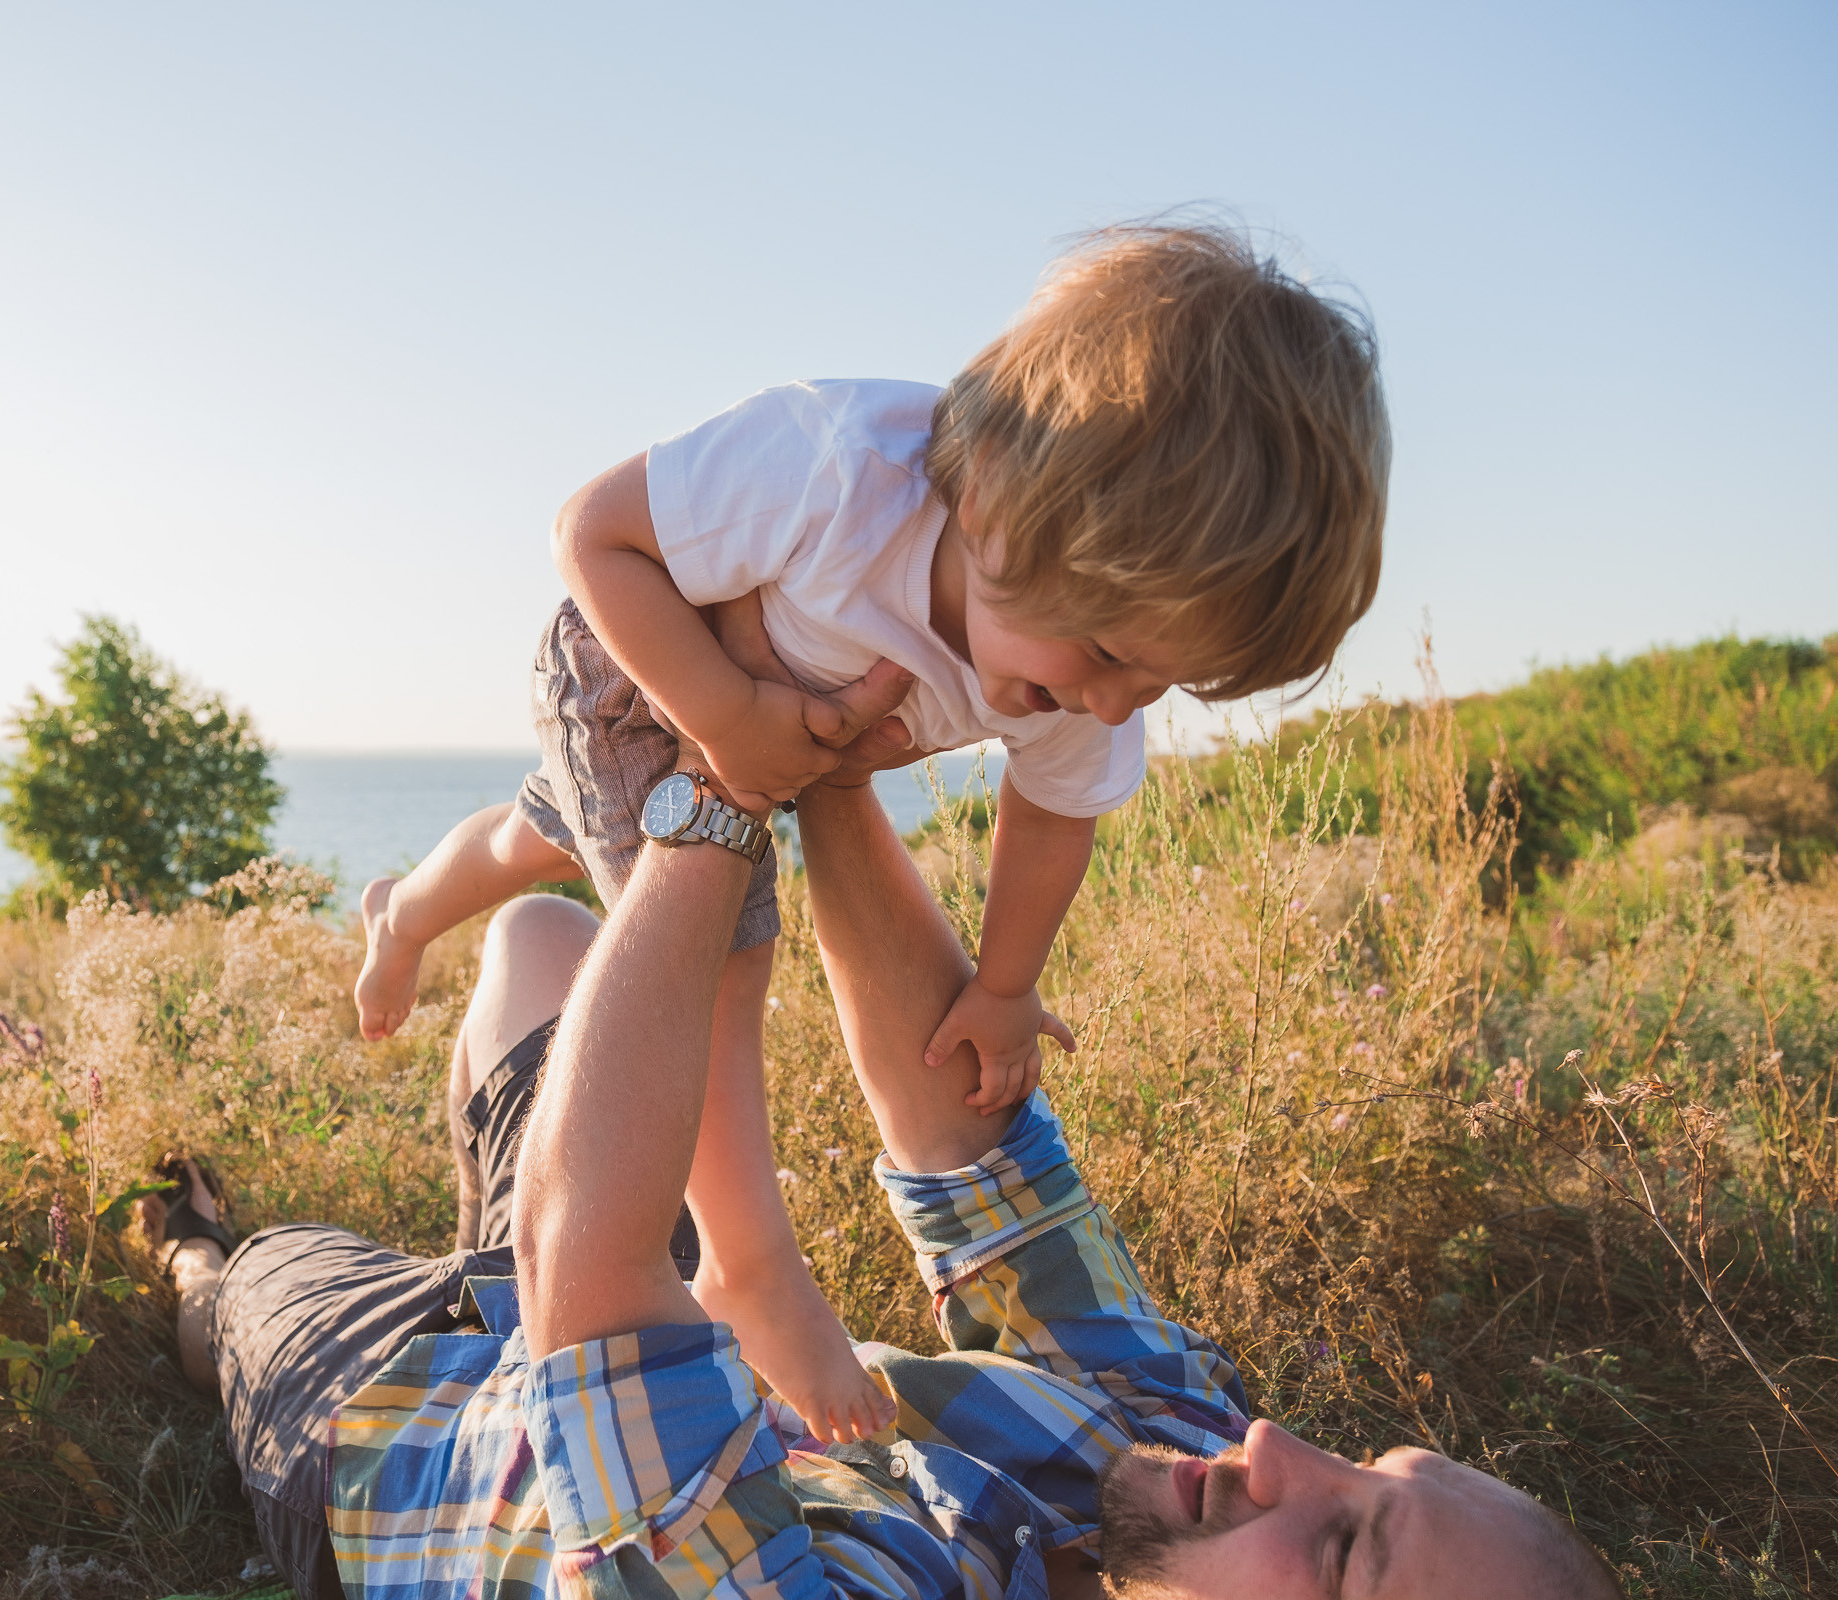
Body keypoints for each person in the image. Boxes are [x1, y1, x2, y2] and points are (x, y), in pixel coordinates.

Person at [151, 713, 1619, 1600]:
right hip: (624, 1289)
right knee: (542, 937)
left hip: (399, 1435)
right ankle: (433, 978)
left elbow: (581, 1273)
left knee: (239, 1284)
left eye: (1347, 1550)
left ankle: (189, 1251)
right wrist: (837, 760)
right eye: (1369, 1463)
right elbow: (969, 1139)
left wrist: (720, 786)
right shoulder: (1172, 1458)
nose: (1274, 1449)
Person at [348, 221, 1391, 1442]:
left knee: (546, 832)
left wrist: (1006, 987)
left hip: (770, 726)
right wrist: (729, 717)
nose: (1111, 705)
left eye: (1159, 685)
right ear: (998, 500)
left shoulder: (1084, 656)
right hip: (640, 670)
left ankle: (404, 909)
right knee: (718, 941)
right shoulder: (836, 469)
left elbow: (1054, 814)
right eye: (1106, 658)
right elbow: (593, 534)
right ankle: (745, 1259)